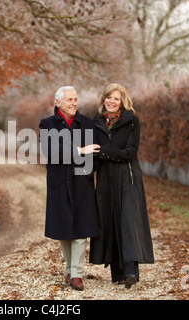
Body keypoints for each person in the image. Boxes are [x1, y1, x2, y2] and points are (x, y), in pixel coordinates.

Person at [89, 83, 154, 289]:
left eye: (116, 98)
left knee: (128, 220)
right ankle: (118, 272)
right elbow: (93, 155)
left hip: (128, 176)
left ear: (122, 101)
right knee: (110, 219)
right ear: (104, 99)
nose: (111, 101)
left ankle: (130, 269)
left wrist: (103, 152)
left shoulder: (132, 121)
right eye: (108, 97)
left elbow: (130, 152)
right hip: (106, 178)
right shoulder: (96, 122)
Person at [39, 86, 100, 291]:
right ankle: (70, 269)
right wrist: (81, 150)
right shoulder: (48, 124)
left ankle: (76, 274)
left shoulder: (88, 123)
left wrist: (89, 165)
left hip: (82, 182)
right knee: (64, 230)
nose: (74, 103)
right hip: (59, 183)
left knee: (81, 229)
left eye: (75, 99)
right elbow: (51, 152)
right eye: (69, 100)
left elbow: (96, 154)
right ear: (58, 103)